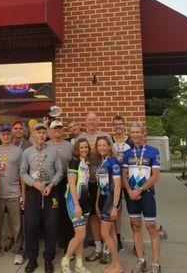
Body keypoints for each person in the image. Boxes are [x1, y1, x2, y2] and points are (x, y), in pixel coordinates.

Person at [20, 123, 63, 273]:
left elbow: (59, 171)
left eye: (44, 132)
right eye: (39, 132)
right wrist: (34, 183)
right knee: (31, 226)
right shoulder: (27, 152)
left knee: (51, 226)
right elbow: (23, 172)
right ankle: (32, 259)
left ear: (47, 135)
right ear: (33, 134)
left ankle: (48, 258)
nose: (41, 135)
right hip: (34, 192)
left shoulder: (53, 151)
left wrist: (51, 184)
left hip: (50, 191)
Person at [122, 122, 161, 273]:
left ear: (142, 133)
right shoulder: (127, 153)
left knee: (151, 228)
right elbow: (124, 175)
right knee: (136, 226)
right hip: (132, 195)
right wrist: (130, 191)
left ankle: (156, 264)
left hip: (147, 194)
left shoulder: (153, 151)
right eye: (133, 132)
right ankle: (141, 260)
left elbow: (155, 176)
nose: (135, 134)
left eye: (138, 132)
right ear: (130, 134)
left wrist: (139, 190)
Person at [0, 125, 24, 265]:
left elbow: (22, 173)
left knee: (16, 224)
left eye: (8, 134)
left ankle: (18, 251)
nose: (5, 136)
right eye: (3, 134)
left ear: (11, 135)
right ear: (0, 136)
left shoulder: (18, 150)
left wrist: (23, 193)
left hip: (14, 192)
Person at [81, 112, 111, 264]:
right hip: (89, 183)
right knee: (93, 215)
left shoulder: (105, 136)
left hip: (105, 183)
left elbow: (110, 157)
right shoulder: (82, 137)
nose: (91, 122)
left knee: (106, 217)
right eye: (89, 120)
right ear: (85, 122)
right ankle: (98, 248)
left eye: (94, 119)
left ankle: (107, 249)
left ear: (98, 121)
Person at [61, 138, 92, 273]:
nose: (84, 150)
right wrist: (76, 204)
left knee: (81, 235)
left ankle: (79, 264)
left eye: (86, 147)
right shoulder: (74, 161)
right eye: (81, 148)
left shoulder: (86, 162)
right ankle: (66, 260)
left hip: (85, 201)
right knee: (80, 234)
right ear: (77, 149)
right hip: (74, 201)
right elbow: (72, 184)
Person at [94, 136, 123, 273]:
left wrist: (115, 206)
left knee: (104, 234)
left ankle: (117, 265)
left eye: (104, 145)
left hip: (111, 201)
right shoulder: (102, 162)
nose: (101, 148)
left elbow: (118, 185)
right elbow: (100, 185)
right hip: (103, 201)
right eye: (99, 145)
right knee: (111, 234)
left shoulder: (113, 162)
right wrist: (96, 203)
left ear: (109, 147)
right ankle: (114, 264)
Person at [48, 120, 74, 250]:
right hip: (51, 183)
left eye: (59, 128)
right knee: (53, 213)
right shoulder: (46, 145)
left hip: (66, 182)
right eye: (55, 128)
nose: (57, 130)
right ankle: (54, 243)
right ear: (51, 131)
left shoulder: (69, 145)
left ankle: (67, 243)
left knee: (66, 212)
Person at [112, 115, 131, 252]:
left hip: (129, 179)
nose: (118, 126)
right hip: (115, 179)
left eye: (120, 123)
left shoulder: (130, 141)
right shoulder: (110, 141)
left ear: (124, 125)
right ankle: (117, 238)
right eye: (116, 124)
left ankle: (137, 241)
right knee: (117, 209)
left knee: (134, 210)